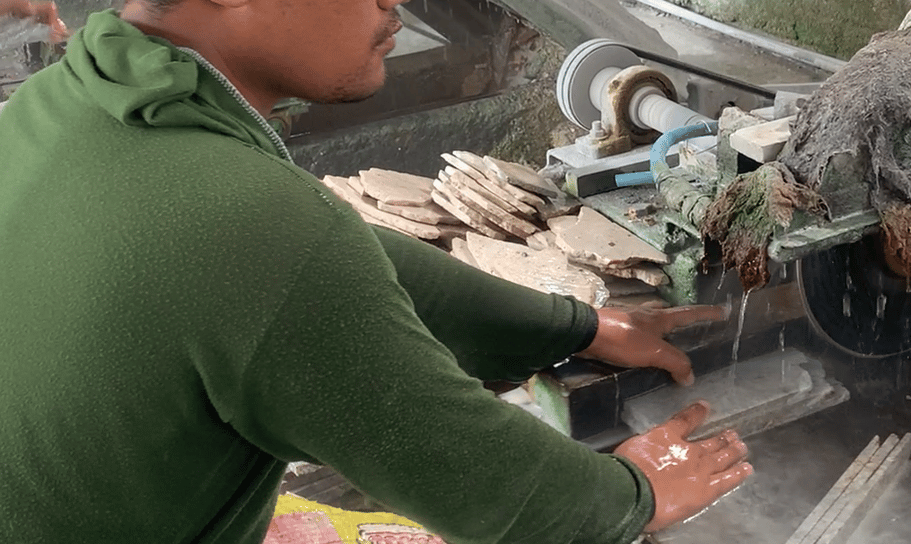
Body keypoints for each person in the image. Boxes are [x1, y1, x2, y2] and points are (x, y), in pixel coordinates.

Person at [0, 0, 753, 543]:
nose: (396, 5)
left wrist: (575, 326)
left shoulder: (64, 104)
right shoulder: (245, 222)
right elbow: (475, 481)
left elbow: (338, 258)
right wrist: (634, 495)